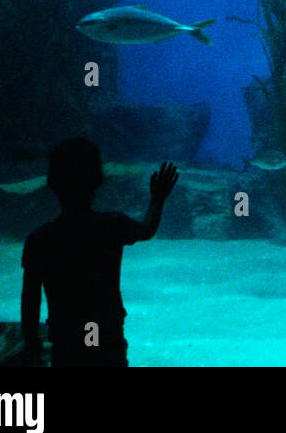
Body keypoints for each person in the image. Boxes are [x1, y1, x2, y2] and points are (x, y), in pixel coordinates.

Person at [20, 138, 178, 366]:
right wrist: (157, 199)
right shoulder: (113, 225)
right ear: (98, 180)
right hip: (107, 339)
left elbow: (30, 299)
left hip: (67, 343)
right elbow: (147, 229)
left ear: (52, 182)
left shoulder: (39, 240)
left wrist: (32, 342)